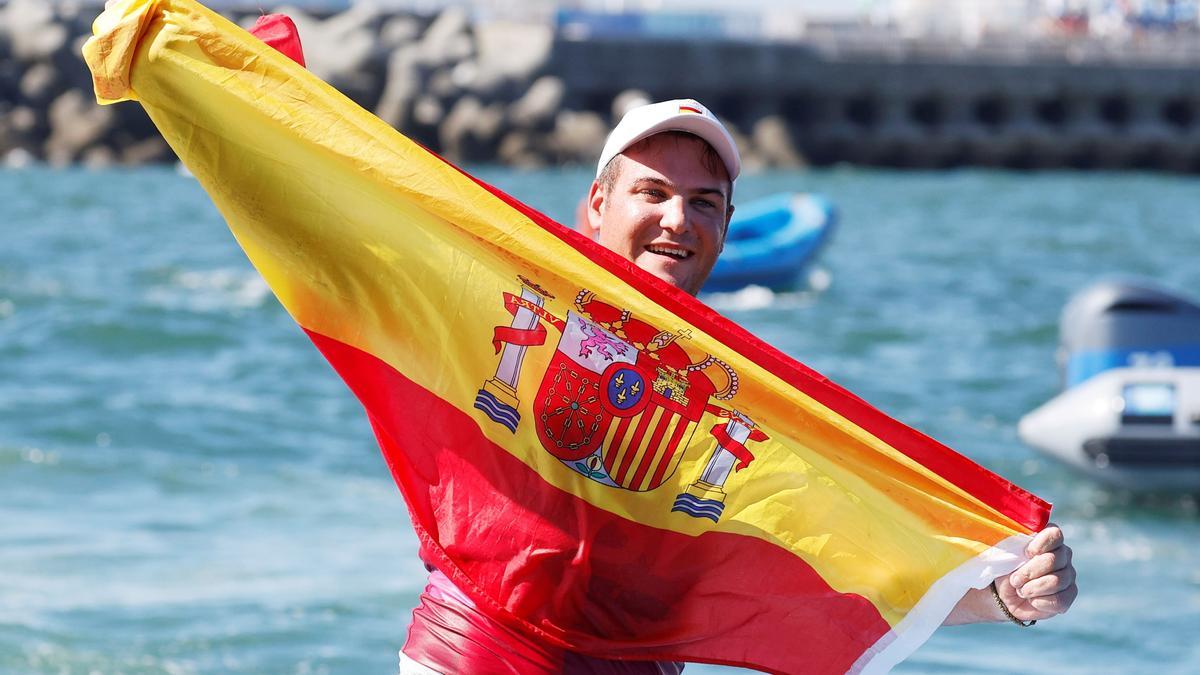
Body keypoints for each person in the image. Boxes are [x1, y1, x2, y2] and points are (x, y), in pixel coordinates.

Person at [400, 99, 1077, 674]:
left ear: (724, 229)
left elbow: (835, 555)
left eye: (703, 203)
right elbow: (367, 258)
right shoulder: (507, 302)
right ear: (599, 203)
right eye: (653, 192)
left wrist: (1003, 594)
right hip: (472, 655)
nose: (677, 219)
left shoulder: (736, 398)